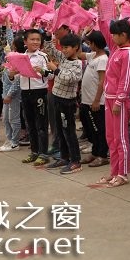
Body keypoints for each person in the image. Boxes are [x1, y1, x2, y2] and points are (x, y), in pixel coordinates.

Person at [96, 18, 130, 188]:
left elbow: (125, 79)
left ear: (124, 35)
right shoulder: (116, 49)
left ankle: (123, 173)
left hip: (118, 101)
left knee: (121, 138)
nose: (112, 37)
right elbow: (105, 32)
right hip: (109, 98)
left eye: (115, 34)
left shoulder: (128, 53)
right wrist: (101, 15)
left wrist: (119, 101)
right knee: (111, 138)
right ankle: (114, 171)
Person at [44, 33, 84, 174]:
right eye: (63, 47)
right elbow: (51, 50)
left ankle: (75, 161)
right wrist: (48, 37)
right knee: (60, 131)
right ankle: (64, 157)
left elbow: (69, 78)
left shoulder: (78, 63)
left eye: (67, 47)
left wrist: (55, 69)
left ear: (76, 48)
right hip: (56, 98)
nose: (64, 50)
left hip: (67, 103)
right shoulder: (63, 57)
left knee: (69, 132)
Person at [18, 29, 50, 166]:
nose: (36, 42)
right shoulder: (20, 57)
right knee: (29, 123)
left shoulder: (43, 56)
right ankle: (34, 151)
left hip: (39, 92)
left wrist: (42, 71)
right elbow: (14, 77)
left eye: (38, 39)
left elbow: (52, 74)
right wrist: (13, 74)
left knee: (41, 124)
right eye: (32, 39)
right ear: (25, 41)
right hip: (25, 92)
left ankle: (43, 153)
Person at [78, 31, 109, 167]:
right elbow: (79, 54)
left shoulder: (103, 59)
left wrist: (96, 100)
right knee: (90, 128)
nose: (88, 45)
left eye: (90, 43)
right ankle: (95, 152)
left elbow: (102, 81)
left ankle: (102, 155)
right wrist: (80, 36)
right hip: (86, 100)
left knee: (98, 129)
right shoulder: (93, 55)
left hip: (96, 102)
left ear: (96, 44)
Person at [0, 35, 24, 152]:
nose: (11, 43)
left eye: (13, 42)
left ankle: (15, 142)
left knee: (13, 119)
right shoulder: (11, 57)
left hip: (13, 95)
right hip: (6, 94)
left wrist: (9, 94)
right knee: (6, 119)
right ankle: (9, 139)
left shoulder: (20, 59)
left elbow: (17, 81)